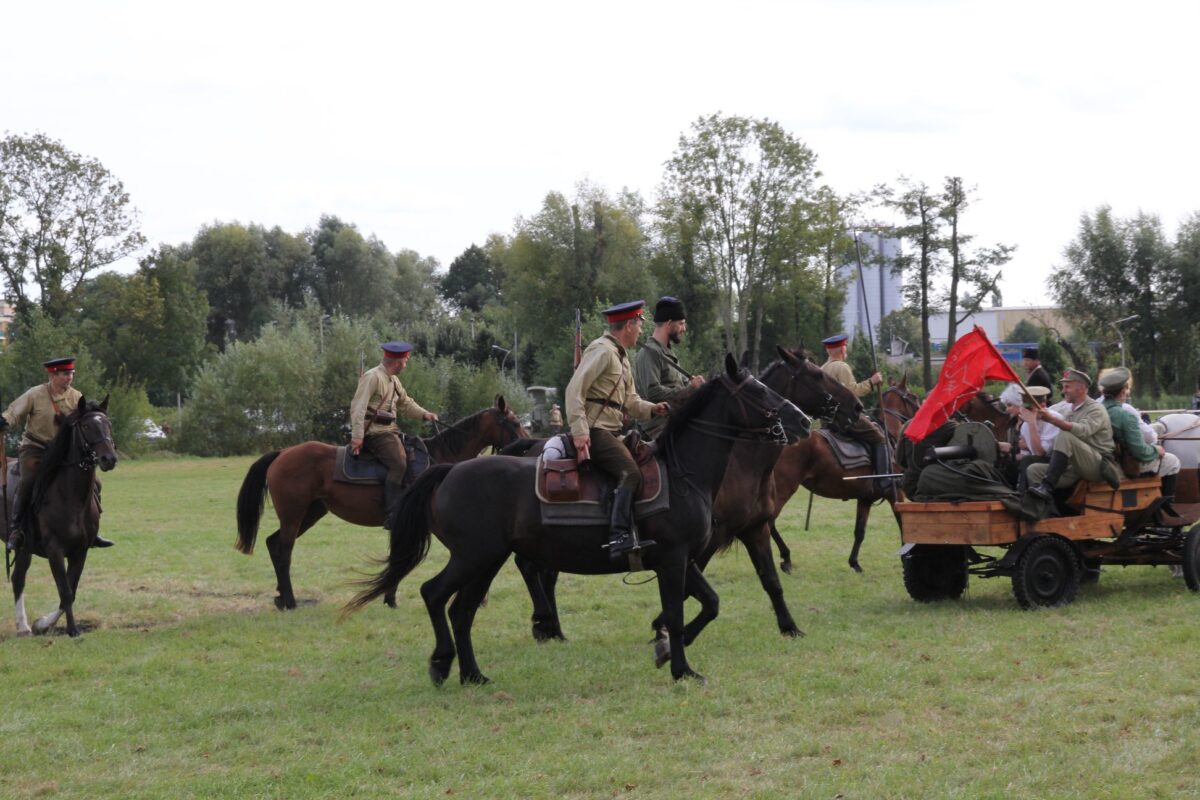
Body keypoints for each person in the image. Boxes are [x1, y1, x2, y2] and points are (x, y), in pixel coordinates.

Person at [566, 300, 669, 559]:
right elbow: (574, 390)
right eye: (639, 325)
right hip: (596, 430)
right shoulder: (602, 351)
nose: (641, 331)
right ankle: (618, 536)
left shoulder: (622, 357)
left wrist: (653, 409)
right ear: (629, 325)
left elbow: (631, 402)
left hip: (613, 432)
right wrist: (580, 432)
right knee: (631, 474)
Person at [0, 357, 114, 551]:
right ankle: (16, 529)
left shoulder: (76, 397)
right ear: (53, 375)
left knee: (95, 483)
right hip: (35, 448)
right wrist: (4, 421)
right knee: (28, 481)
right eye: (65, 374)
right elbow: (14, 413)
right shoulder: (35, 394)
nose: (69, 378)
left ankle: (91, 531)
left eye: (71, 374)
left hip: (63, 452)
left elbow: (86, 420)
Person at [349, 341, 439, 527]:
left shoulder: (394, 381)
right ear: (398, 362)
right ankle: (393, 512)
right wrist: (357, 436)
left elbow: (406, 404)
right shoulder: (372, 377)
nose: (406, 365)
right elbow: (358, 407)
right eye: (405, 361)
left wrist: (425, 414)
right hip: (375, 433)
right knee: (399, 462)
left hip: (390, 431)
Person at [1025, 369, 1121, 501]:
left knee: (1066, 435)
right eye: (1063, 387)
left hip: (1097, 464)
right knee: (1033, 470)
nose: (1063, 391)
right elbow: (1044, 410)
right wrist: (1029, 413)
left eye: (1067, 387)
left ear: (1081, 388)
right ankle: (1046, 515)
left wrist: (1052, 420)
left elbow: (1083, 430)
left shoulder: (1096, 409)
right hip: (1073, 466)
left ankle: (1047, 487)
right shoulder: (1064, 407)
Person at [819, 333, 892, 492]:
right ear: (842, 349)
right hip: (845, 419)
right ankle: (884, 480)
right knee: (879, 438)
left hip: (827, 421)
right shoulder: (841, 367)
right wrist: (872, 382)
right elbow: (852, 392)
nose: (846, 350)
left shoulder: (822, 368)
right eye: (845, 346)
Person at [1098, 367, 1181, 502]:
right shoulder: (1124, 415)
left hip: (1104, 460)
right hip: (1119, 465)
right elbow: (1141, 452)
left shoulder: (1097, 409)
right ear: (1123, 391)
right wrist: (1156, 450)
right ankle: (1164, 508)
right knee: (1172, 461)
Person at [632, 296, 704, 437]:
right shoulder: (649, 353)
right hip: (655, 428)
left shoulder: (668, 352)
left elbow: (683, 385)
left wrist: (697, 387)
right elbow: (652, 392)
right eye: (681, 323)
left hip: (674, 421)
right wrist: (690, 388)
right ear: (669, 323)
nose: (684, 328)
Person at [997, 383, 1061, 491]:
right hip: (1034, 459)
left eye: (1029, 408)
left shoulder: (1054, 420)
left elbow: (1040, 453)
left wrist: (1032, 424)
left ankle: (1022, 495)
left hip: (1055, 462)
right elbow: (1029, 454)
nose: (1026, 412)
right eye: (1024, 407)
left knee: (1027, 462)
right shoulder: (1025, 425)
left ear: (1043, 406)